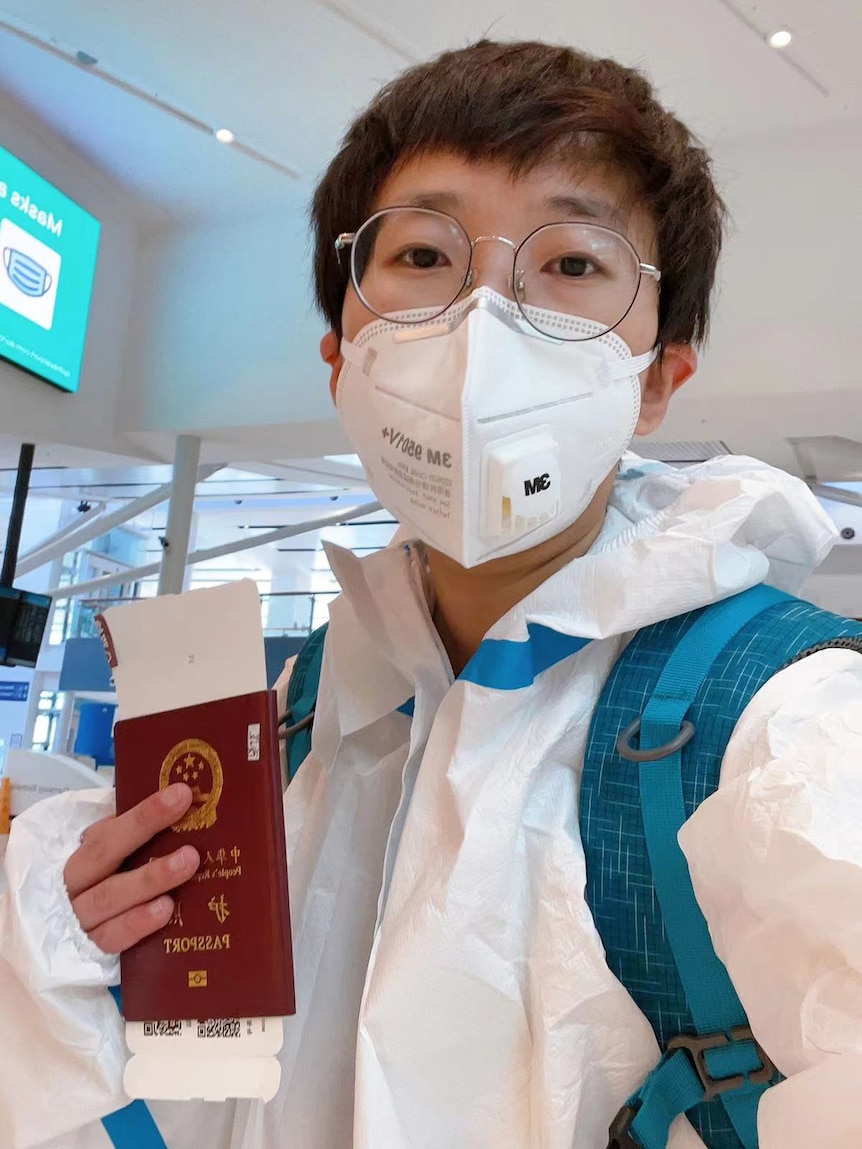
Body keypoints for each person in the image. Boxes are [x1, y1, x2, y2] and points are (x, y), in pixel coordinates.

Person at [2, 38, 862, 1149]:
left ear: (657, 379)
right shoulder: (291, 718)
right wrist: (77, 960)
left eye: (571, 265)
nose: (480, 326)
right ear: (341, 358)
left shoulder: (780, 732)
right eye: (421, 253)